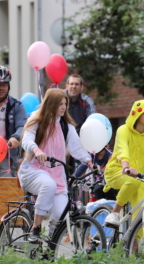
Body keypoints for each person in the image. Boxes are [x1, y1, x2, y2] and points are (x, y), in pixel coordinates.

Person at [19, 88, 93, 242]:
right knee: (48, 185)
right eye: (60, 104)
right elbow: (26, 140)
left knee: (61, 215)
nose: (64, 107)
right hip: (32, 171)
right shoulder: (36, 120)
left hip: (57, 177)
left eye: (65, 104)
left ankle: (50, 249)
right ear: (51, 104)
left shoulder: (66, 126)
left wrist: (88, 160)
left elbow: (76, 147)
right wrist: (36, 150)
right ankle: (36, 228)